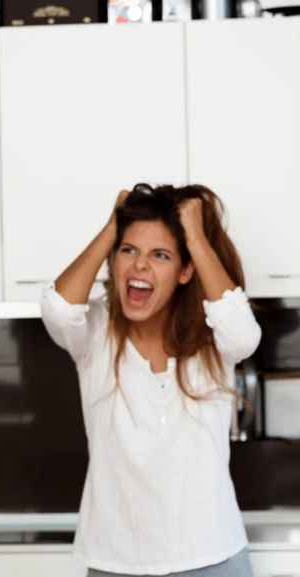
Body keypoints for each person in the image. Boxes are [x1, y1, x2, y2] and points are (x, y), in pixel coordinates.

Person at [41, 183, 261, 576]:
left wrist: (195, 237)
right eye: (129, 250)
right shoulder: (96, 334)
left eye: (160, 255)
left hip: (212, 556)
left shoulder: (212, 341)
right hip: (114, 562)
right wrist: (113, 226)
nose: (140, 266)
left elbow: (245, 334)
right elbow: (58, 308)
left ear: (185, 270)